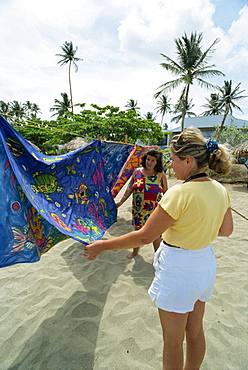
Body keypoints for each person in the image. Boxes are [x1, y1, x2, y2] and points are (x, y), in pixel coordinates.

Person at [83, 127, 234, 370]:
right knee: (195, 332)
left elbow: (144, 237)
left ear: (188, 160)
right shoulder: (220, 190)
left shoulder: (179, 193)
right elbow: (226, 230)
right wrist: (198, 227)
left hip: (179, 269)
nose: (171, 166)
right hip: (205, 264)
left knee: (172, 341)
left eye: (174, 160)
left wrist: (103, 245)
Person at [116, 148, 168, 258]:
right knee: (138, 231)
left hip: (155, 210)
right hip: (139, 209)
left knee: (156, 234)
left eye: (153, 160)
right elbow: (129, 189)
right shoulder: (137, 172)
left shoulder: (160, 175)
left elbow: (166, 193)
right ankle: (135, 252)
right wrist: (121, 202)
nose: (149, 162)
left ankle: (157, 256)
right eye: (148, 159)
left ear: (157, 162)